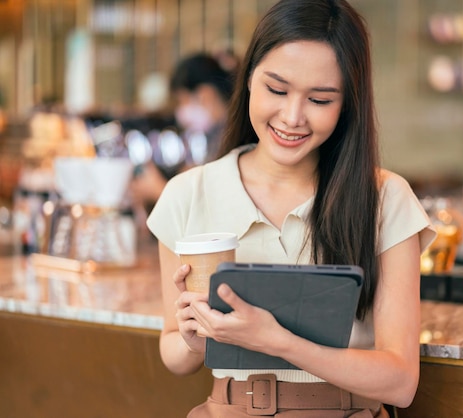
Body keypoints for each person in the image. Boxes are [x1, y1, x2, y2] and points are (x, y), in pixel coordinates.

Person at [146, 0, 435, 416]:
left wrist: (277, 340)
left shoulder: (385, 199)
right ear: (247, 80)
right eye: (276, 90)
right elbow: (173, 351)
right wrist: (195, 338)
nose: (293, 116)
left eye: (320, 100)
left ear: (347, 105)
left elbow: (401, 381)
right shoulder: (188, 194)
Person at [131, 52, 237, 209]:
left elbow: (215, 209)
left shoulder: (230, 137)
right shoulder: (215, 135)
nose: (181, 111)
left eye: (183, 100)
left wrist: (159, 190)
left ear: (205, 95)